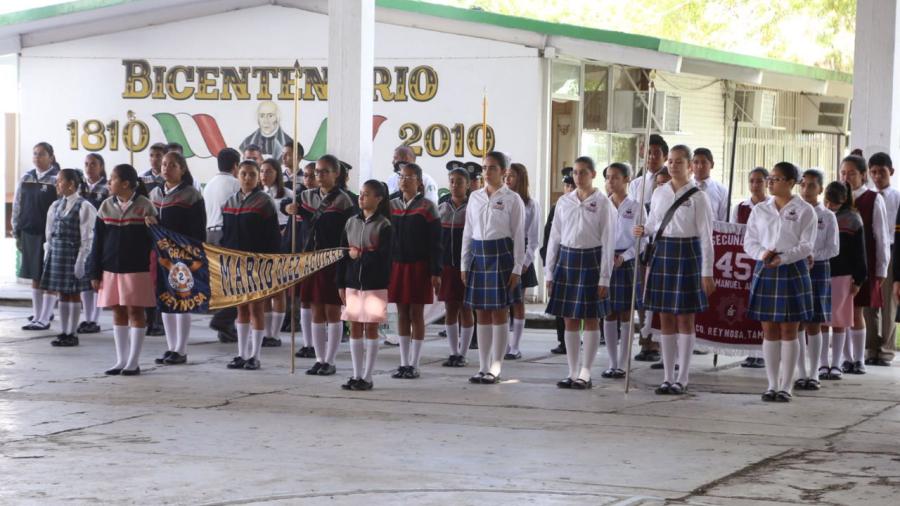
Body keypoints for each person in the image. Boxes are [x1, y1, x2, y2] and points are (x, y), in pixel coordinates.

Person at [633, 145, 715, 395]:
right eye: (670, 161)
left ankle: (683, 376)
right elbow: (654, 223)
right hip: (663, 253)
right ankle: (667, 376)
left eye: (679, 161)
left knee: (685, 318)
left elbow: (706, 237)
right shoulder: (659, 192)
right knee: (665, 317)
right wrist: (643, 230)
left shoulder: (699, 196)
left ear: (690, 166)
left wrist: (707, 272)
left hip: (688, 254)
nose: (673, 165)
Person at [744, 162, 816, 403]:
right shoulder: (761, 209)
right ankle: (771, 384)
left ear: (791, 182)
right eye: (770, 178)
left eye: (776, 178)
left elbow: (807, 245)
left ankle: (787, 385)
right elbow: (750, 241)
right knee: (769, 329)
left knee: (789, 329)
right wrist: (763, 254)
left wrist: (783, 258)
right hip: (765, 268)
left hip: (792, 269)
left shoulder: (805, 210)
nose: (770, 182)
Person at [545, 156, 616, 389]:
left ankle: (586, 372)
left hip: (592, 260)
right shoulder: (564, 202)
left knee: (592, 318)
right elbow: (554, 238)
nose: (578, 177)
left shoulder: (603, 203)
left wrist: (605, 276)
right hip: (567, 260)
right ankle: (572, 371)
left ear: (593, 174)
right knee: (570, 319)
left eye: (583, 172)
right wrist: (549, 272)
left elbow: (608, 242)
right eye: (575, 173)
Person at [286, 155, 356, 376]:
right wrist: (291, 208)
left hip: (334, 259)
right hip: (311, 259)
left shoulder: (345, 201)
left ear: (336, 174)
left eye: (325, 171)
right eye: (317, 172)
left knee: (332, 310)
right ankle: (318, 357)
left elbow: (349, 232)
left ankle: (330, 359)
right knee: (315, 308)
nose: (320, 176)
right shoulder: (305, 196)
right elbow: (287, 208)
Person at [461, 151, 525, 384]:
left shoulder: (512, 199)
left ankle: (495, 368)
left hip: (501, 256)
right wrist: (464, 263)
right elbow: (468, 232)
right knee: (481, 312)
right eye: (485, 167)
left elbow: (519, 235)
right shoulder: (475, 197)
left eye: (493, 168)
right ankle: (482, 366)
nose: (487, 172)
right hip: (479, 255)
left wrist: (517, 267)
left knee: (499, 313)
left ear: (504, 171)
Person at [90, 164, 157, 376]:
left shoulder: (146, 206)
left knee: (136, 312)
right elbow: (97, 242)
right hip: (110, 269)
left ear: (126, 183)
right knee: (117, 311)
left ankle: (133, 362)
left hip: (136, 268)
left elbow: (157, 239)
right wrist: (95, 271)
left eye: (113, 179)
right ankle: (120, 360)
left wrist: (153, 225)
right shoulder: (105, 206)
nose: (109, 183)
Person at [222, 160, 282, 371]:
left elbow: (272, 236)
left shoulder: (264, 202)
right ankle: (241, 353)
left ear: (258, 178)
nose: (247, 178)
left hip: (257, 264)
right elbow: (226, 235)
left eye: (252, 175)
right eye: (244, 174)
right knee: (241, 309)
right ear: (238, 174)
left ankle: (255, 355)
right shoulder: (230, 202)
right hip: (235, 263)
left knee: (256, 308)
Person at [147, 151, 206, 366]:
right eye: (163, 164)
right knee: (165, 299)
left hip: (182, 256)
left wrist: (193, 255)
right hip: (160, 254)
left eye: (172, 165)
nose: (166, 168)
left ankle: (181, 348)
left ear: (182, 169)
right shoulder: (154, 194)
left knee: (182, 300)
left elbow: (198, 230)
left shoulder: (191, 195)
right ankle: (171, 347)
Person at [337, 180, 393, 390]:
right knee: (355, 327)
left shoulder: (384, 225)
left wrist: (360, 256)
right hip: (352, 282)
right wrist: (341, 283)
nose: (361, 198)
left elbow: (385, 256)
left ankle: (367, 377)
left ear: (378, 199)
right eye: (360, 194)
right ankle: (356, 373)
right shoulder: (351, 222)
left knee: (371, 327)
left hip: (374, 284)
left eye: (367, 194)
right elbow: (342, 253)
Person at [388, 163, 442, 379]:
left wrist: (435, 271)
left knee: (416, 313)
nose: (404, 180)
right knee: (401, 312)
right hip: (397, 266)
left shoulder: (428, 207)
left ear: (419, 182)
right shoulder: (390, 205)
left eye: (409, 177)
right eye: (402, 176)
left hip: (419, 266)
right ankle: (403, 362)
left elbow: (436, 242)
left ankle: (415, 363)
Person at [840, 154, 889, 375]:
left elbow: (880, 235)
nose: (846, 177)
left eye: (851, 173)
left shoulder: (872, 199)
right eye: (843, 173)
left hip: (863, 263)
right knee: (841, 314)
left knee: (856, 312)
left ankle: (858, 359)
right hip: (839, 265)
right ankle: (845, 358)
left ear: (862, 175)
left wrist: (881, 268)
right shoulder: (837, 198)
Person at [39, 169, 97, 347]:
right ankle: (64, 332)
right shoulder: (55, 205)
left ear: (71, 183)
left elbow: (87, 236)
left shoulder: (84, 206)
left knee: (73, 294)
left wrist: (82, 259)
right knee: (62, 294)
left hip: (73, 254)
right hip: (57, 254)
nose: (57, 184)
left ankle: (72, 333)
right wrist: (48, 250)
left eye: (60, 181)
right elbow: (49, 232)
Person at [794, 169, 839, 391]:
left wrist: (811, 255)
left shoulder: (828, 216)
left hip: (819, 269)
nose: (806, 189)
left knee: (815, 322)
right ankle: (801, 372)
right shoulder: (794, 213)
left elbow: (833, 248)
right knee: (798, 322)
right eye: (803, 184)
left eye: (812, 185)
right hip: (796, 267)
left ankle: (815, 373)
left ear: (821, 189)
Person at [602, 162, 646, 378]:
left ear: (627, 179)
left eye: (616, 177)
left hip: (627, 261)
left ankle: (624, 361)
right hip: (606, 260)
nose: (611, 181)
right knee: (608, 312)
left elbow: (643, 240)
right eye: (608, 177)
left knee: (626, 313)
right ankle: (612, 362)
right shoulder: (603, 205)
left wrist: (625, 256)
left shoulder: (636, 207)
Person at [822, 182, 866, 381]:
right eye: (828, 201)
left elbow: (860, 252)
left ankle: (837, 363)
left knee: (839, 320)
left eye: (834, 202)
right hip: (821, 273)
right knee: (821, 320)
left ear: (844, 199)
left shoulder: (853, 219)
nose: (830, 206)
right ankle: (822, 363)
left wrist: (859, 278)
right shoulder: (821, 215)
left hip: (843, 275)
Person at [15, 142, 60, 331]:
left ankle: (46, 316)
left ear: (51, 157)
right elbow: (18, 204)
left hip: (48, 234)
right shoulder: (26, 177)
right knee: (35, 275)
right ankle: (38, 314)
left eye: (41, 154)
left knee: (48, 275)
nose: (37, 157)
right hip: (29, 231)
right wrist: (15, 227)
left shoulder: (57, 179)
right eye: (35, 154)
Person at [731, 167, 770, 368]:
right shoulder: (740, 208)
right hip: (742, 262)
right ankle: (750, 350)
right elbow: (731, 234)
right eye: (752, 181)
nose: (755, 185)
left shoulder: (771, 207)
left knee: (763, 307)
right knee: (746, 306)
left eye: (759, 181)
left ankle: (763, 351)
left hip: (764, 260)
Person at [204, 148, 242, 343]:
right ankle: (222, 319)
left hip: (210, 232)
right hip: (226, 232)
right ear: (236, 166)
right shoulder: (236, 183)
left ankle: (226, 328)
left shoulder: (209, 184)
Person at [438, 166, 475, 367]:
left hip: (466, 267)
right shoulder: (442, 207)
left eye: (459, 181)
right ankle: (453, 352)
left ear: (468, 185)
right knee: (450, 307)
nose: (454, 185)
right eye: (452, 181)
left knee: (466, 308)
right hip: (447, 266)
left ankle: (463, 352)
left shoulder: (473, 207)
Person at [504, 162, 540, 359]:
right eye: (506, 175)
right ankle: (503, 343)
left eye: (512, 176)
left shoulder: (531, 204)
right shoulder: (504, 199)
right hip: (503, 251)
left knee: (517, 302)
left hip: (522, 252)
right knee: (502, 303)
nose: (508, 179)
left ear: (521, 178)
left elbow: (534, 238)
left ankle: (515, 346)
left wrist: (525, 261)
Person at [866, 153, 899, 367]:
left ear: (891, 172)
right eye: (874, 172)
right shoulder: (867, 198)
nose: (877, 177)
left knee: (888, 303)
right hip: (871, 251)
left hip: (892, 251)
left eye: (882, 172)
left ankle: (886, 350)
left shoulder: (897, 197)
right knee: (868, 302)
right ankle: (870, 347)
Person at [282, 161, 319, 344]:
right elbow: (286, 203)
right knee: (297, 294)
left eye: (313, 176)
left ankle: (314, 338)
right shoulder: (300, 195)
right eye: (306, 176)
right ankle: (302, 334)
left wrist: (303, 211)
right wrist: (287, 207)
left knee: (312, 298)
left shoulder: (323, 199)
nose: (309, 179)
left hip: (313, 252)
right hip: (295, 249)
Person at [78, 153, 108, 335]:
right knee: (84, 280)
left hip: (99, 238)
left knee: (96, 280)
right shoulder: (80, 186)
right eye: (87, 164)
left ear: (101, 166)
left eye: (94, 164)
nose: (89, 167)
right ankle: (86, 317)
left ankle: (94, 320)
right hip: (83, 239)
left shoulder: (107, 187)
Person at [260, 158, 289, 347]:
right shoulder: (258, 194)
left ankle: (275, 333)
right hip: (262, 242)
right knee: (264, 291)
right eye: (262, 171)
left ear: (277, 173)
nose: (264, 175)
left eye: (269, 171)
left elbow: (292, 220)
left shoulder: (287, 194)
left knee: (278, 290)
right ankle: (265, 332)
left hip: (280, 241)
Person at [691, 148, 729, 221]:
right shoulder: (684, 188)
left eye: (704, 162)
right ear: (691, 165)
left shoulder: (721, 190)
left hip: (713, 231)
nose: (699, 166)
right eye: (696, 162)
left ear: (712, 165)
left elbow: (724, 219)